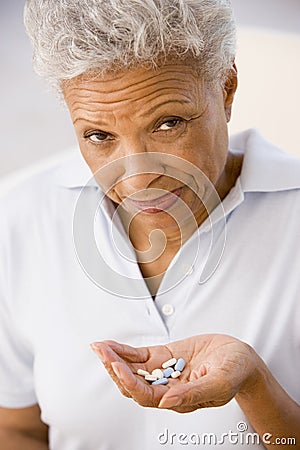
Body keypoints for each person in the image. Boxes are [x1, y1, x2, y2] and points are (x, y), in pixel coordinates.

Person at [0, 0, 299, 449]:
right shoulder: (22, 217)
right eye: (99, 136)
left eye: (168, 123)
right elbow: (17, 429)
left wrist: (255, 384)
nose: (138, 179)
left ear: (227, 86)